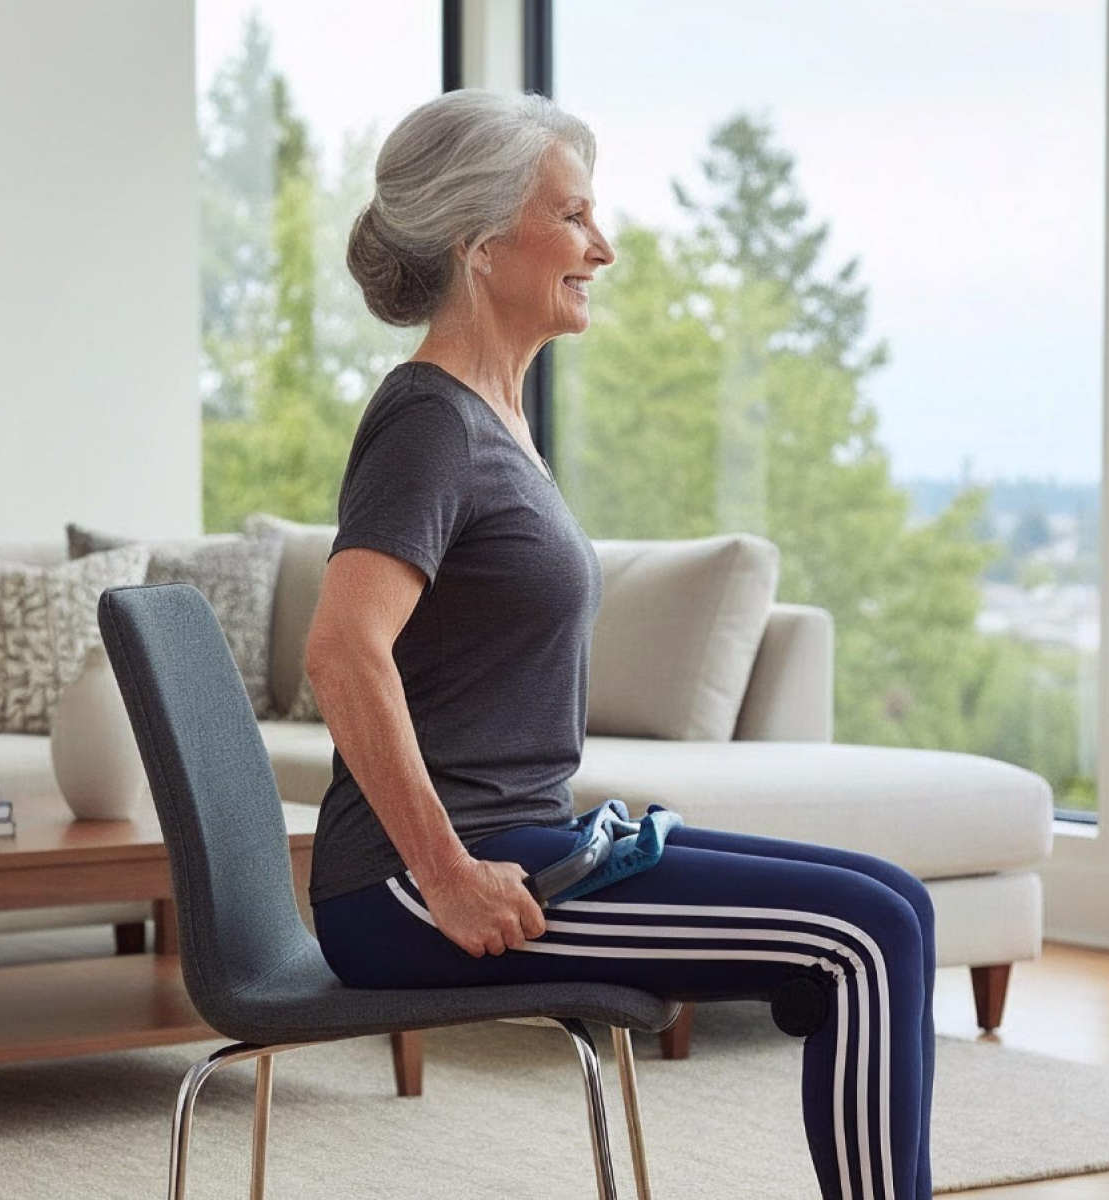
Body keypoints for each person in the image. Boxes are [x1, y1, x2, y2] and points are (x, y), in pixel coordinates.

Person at [305, 87, 936, 1200]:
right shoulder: (428, 420)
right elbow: (342, 652)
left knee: (897, 903)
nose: (604, 245)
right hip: (413, 891)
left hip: (528, 840)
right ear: (482, 243)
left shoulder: (494, 415)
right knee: (866, 934)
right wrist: (447, 874)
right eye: (576, 215)